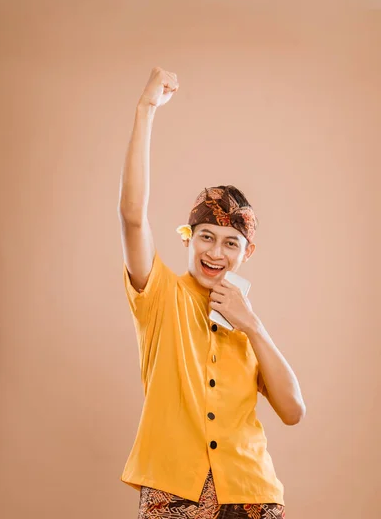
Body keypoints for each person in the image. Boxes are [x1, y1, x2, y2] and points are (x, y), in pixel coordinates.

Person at [118, 67, 306, 519]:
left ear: (247, 251)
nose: (215, 252)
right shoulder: (161, 293)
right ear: (188, 237)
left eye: (230, 242)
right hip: (173, 492)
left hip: (252, 492)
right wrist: (146, 111)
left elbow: (293, 410)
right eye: (205, 236)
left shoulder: (246, 320)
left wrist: (254, 326)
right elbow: (132, 217)